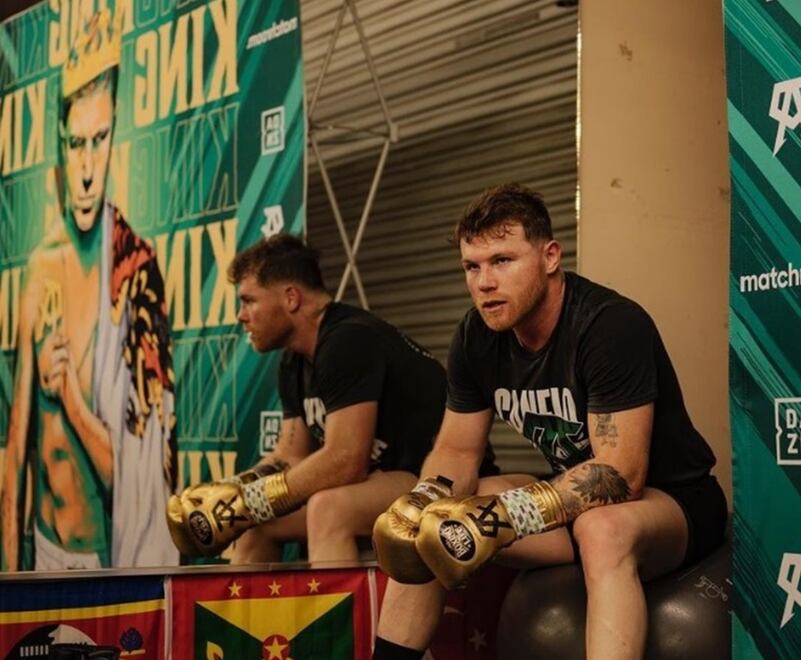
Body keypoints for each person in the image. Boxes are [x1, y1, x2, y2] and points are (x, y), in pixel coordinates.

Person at [371, 183, 728, 660]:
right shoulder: (476, 337)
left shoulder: (608, 325)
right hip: (571, 506)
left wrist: (504, 516)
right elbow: (457, 450)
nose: (484, 282)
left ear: (550, 257)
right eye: (472, 267)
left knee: (602, 529)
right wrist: (425, 498)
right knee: (437, 520)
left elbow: (620, 474)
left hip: (670, 502)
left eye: (502, 260)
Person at [166, 234, 493, 563]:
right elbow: (290, 455)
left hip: (428, 480)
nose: (241, 315)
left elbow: (345, 460)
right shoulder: (294, 361)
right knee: (255, 523)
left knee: (328, 508)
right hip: (379, 482)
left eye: (249, 300)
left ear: (291, 298)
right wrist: (231, 495)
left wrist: (251, 501)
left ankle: (335, 602)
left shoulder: (347, 339)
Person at [1, 9, 177, 571]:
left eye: (98, 141)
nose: (85, 168)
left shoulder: (135, 276)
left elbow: (137, 483)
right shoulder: (39, 268)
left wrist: (73, 401)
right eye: (75, 143)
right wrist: (9, 579)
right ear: (60, 143)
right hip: (45, 550)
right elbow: (16, 451)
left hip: (108, 562)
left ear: (114, 137)